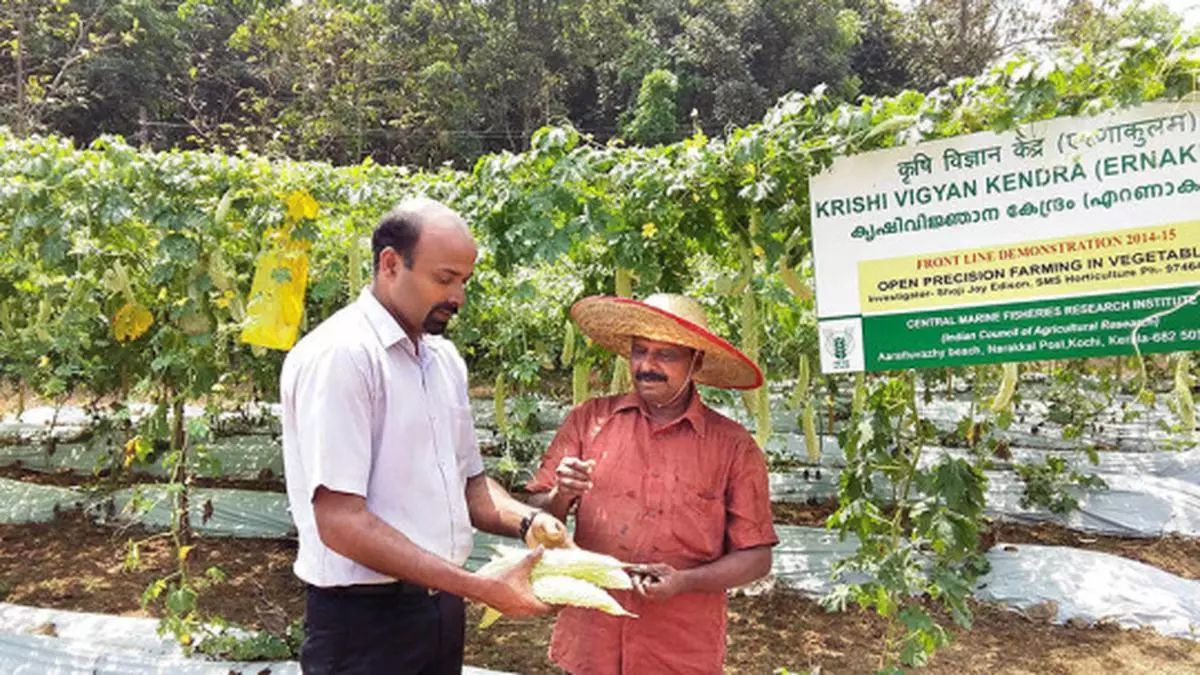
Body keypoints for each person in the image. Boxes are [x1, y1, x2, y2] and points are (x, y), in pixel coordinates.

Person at [280, 198, 567, 675]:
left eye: (464, 282)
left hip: (437, 612)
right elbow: (340, 521)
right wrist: (480, 587)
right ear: (390, 264)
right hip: (364, 625)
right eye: (444, 278)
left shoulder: (443, 361)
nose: (458, 298)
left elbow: (471, 486)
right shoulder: (343, 357)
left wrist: (528, 522)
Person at [526, 293, 779, 674]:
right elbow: (534, 520)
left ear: (696, 361)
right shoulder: (589, 421)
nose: (647, 365)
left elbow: (757, 557)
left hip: (680, 647)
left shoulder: (732, 446)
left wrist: (685, 581)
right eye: (639, 351)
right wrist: (561, 494)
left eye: (666, 355)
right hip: (591, 639)